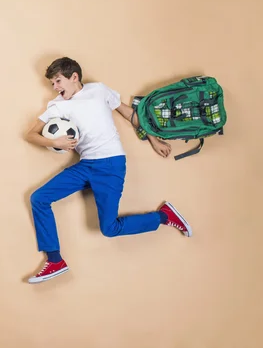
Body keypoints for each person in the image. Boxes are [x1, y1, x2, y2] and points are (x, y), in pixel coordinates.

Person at [24, 57, 191, 284]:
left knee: (109, 228)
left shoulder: (99, 90)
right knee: (39, 198)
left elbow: (129, 113)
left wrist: (153, 139)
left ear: (74, 77)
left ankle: (164, 216)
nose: (55, 87)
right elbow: (31, 134)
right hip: (85, 166)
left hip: (111, 165)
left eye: (58, 81)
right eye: (53, 83)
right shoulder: (57, 105)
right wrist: (58, 143)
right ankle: (55, 260)